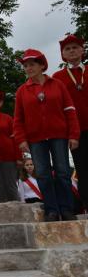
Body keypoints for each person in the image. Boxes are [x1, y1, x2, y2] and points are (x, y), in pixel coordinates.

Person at [14, 49, 80, 222]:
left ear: (42, 65)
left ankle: (66, 209)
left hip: (59, 135)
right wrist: (21, 139)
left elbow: (70, 111)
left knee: (63, 172)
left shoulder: (57, 84)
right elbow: (18, 118)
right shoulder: (22, 91)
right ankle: (51, 210)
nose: (28, 68)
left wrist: (73, 135)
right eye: (25, 66)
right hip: (36, 139)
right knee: (42, 174)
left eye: (32, 64)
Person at [53, 34, 88, 210]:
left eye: (75, 47)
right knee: (82, 169)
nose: (72, 50)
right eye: (67, 49)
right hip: (75, 132)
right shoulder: (57, 77)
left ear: (82, 50)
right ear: (63, 55)